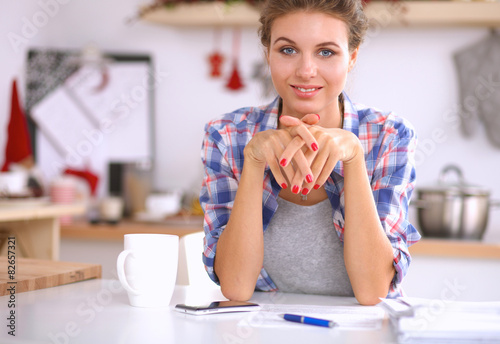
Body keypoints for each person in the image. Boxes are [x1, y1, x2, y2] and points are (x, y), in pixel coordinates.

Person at [200, 0, 421, 306]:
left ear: (352, 57)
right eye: (288, 50)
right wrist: (253, 163)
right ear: (267, 54)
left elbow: (374, 292)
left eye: (326, 52)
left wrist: (354, 160)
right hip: (262, 330)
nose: (306, 71)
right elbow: (236, 288)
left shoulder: (389, 135)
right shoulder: (227, 136)